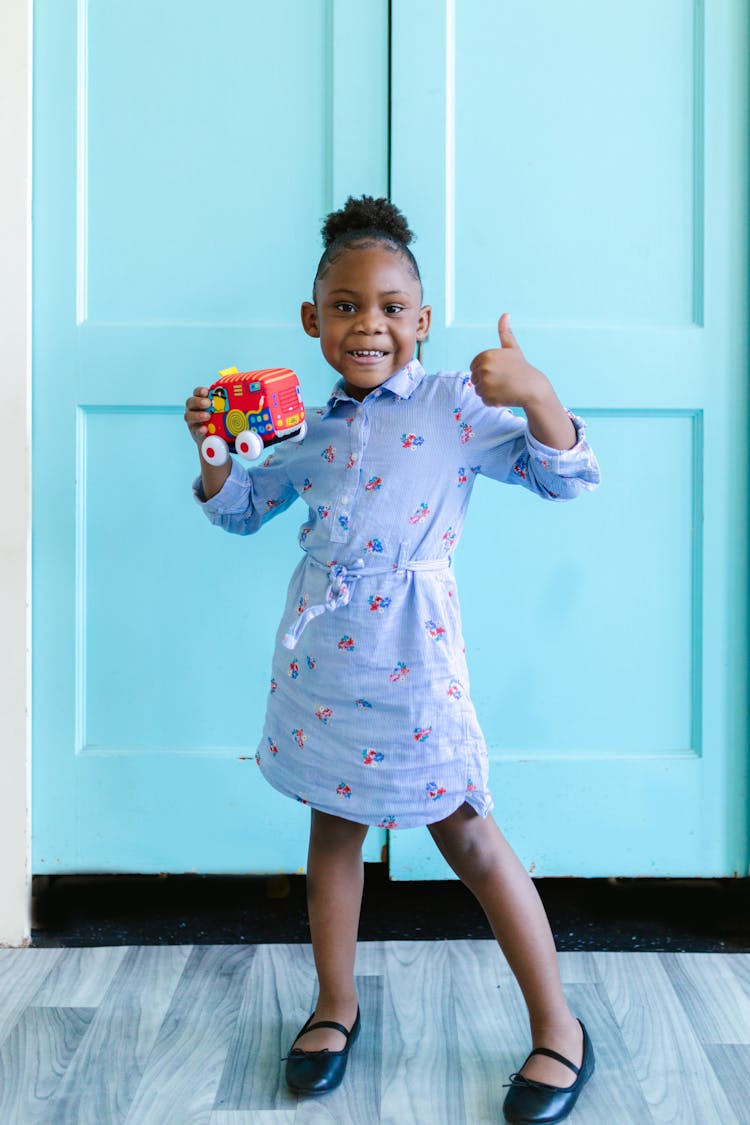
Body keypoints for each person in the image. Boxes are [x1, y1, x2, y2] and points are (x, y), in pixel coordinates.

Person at [184, 196, 600, 1124]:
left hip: (414, 656)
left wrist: (534, 391)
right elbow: (244, 509)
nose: (365, 324)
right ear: (313, 319)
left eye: (387, 307)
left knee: (469, 835)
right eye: (343, 305)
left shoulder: (459, 403)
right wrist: (215, 456)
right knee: (334, 830)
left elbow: (564, 473)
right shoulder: (304, 424)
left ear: (419, 318)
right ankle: (336, 1005)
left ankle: (559, 1026)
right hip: (326, 663)